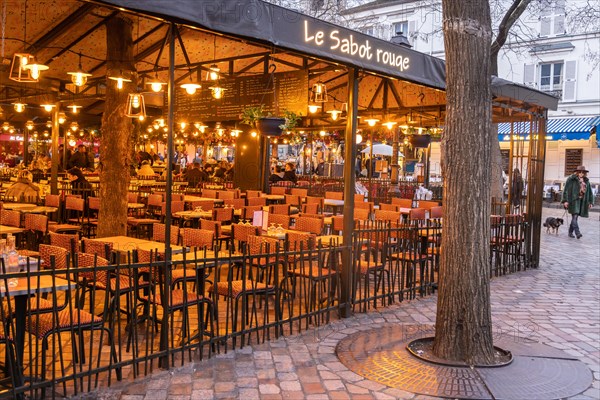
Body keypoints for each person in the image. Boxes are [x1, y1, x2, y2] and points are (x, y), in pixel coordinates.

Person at [561, 165, 594, 239]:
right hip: (573, 200)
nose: (581, 174)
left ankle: (570, 232)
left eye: (583, 172)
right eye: (580, 172)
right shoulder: (571, 179)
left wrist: (591, 202)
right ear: (577, 172)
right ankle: (577, 232)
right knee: (575, 216)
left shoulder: (586, 181)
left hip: (582, 202)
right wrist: (565, 201)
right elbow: (565, 190)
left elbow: (590, 192)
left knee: (575, 218)